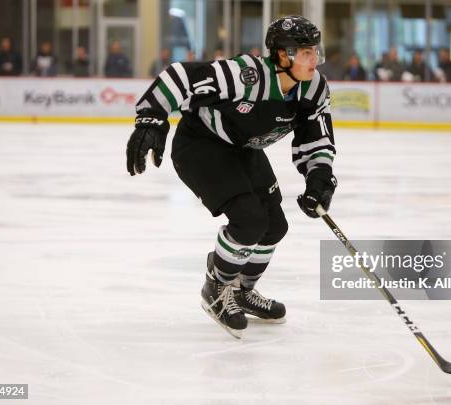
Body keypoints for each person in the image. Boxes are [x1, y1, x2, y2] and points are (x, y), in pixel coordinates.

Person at [125, 15, 337, 338]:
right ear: (283, 55)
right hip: (200, 145)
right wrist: (151, 118)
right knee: (249, 220)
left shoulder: (314, 90)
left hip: (242, 148)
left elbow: (315, 137)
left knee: (274, 226)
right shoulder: (247, 75)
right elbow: (181, 76)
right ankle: (217, 287)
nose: (314, 60)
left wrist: (319, 176)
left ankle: (241, 291)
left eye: (314, 52)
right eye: (306, 52)